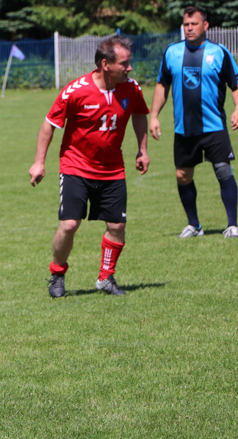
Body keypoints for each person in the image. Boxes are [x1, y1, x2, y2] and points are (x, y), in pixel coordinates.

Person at [29, 35, 149, 298]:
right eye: (124, 63)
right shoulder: (77, 90)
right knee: (70, 224)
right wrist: (39, 162)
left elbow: (139, 113)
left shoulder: (131, 88)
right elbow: (49, 124)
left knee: (117, 226)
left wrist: (142, 149)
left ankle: (106, 278)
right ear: (105, 64)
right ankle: (57, 273)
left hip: (112, 169)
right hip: (76, 167)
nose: (129, 68)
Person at [149, 5, 238, 239]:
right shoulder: (172, 52)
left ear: (205, 25)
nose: (189, 28)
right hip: (184, 128)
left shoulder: (220, 52)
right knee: (182, 176)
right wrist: (153, 115)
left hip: (214, 126)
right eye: (186, 24)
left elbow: (237, 84)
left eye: (193, 24)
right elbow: (162, 85)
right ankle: (194, 226)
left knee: (223, 171)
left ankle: (232, 225)